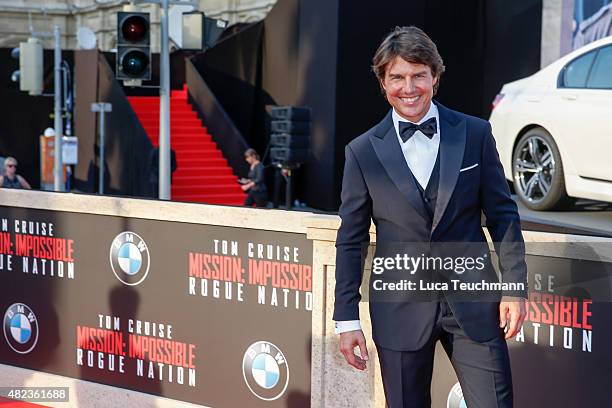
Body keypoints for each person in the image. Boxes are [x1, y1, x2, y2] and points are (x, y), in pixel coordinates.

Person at [334, 26, 527, 408]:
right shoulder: (362, 152)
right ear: (383, 83)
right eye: (398, 77)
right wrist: (346, 319)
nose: (409, 88)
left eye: (419, 75)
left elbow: (503, 214)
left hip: (475, 304)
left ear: (435, 78)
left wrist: (515, 287)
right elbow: (351, 239)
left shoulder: (474, 133)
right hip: (398, 307)